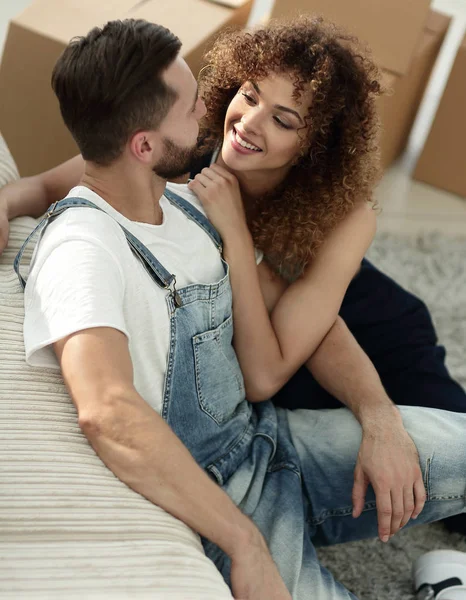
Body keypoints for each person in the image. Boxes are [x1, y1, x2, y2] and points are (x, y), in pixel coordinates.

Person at [6, 17, 465, 600]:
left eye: (284, 119)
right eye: (247, 95)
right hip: (256, 369)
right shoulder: (185, 161)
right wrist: (7, 199)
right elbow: (76, 179)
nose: (242, 122)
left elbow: (317, 332)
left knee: (427, 458)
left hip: (364, 327)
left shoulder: (333, 212)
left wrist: (381, 420)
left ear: (316, 145)